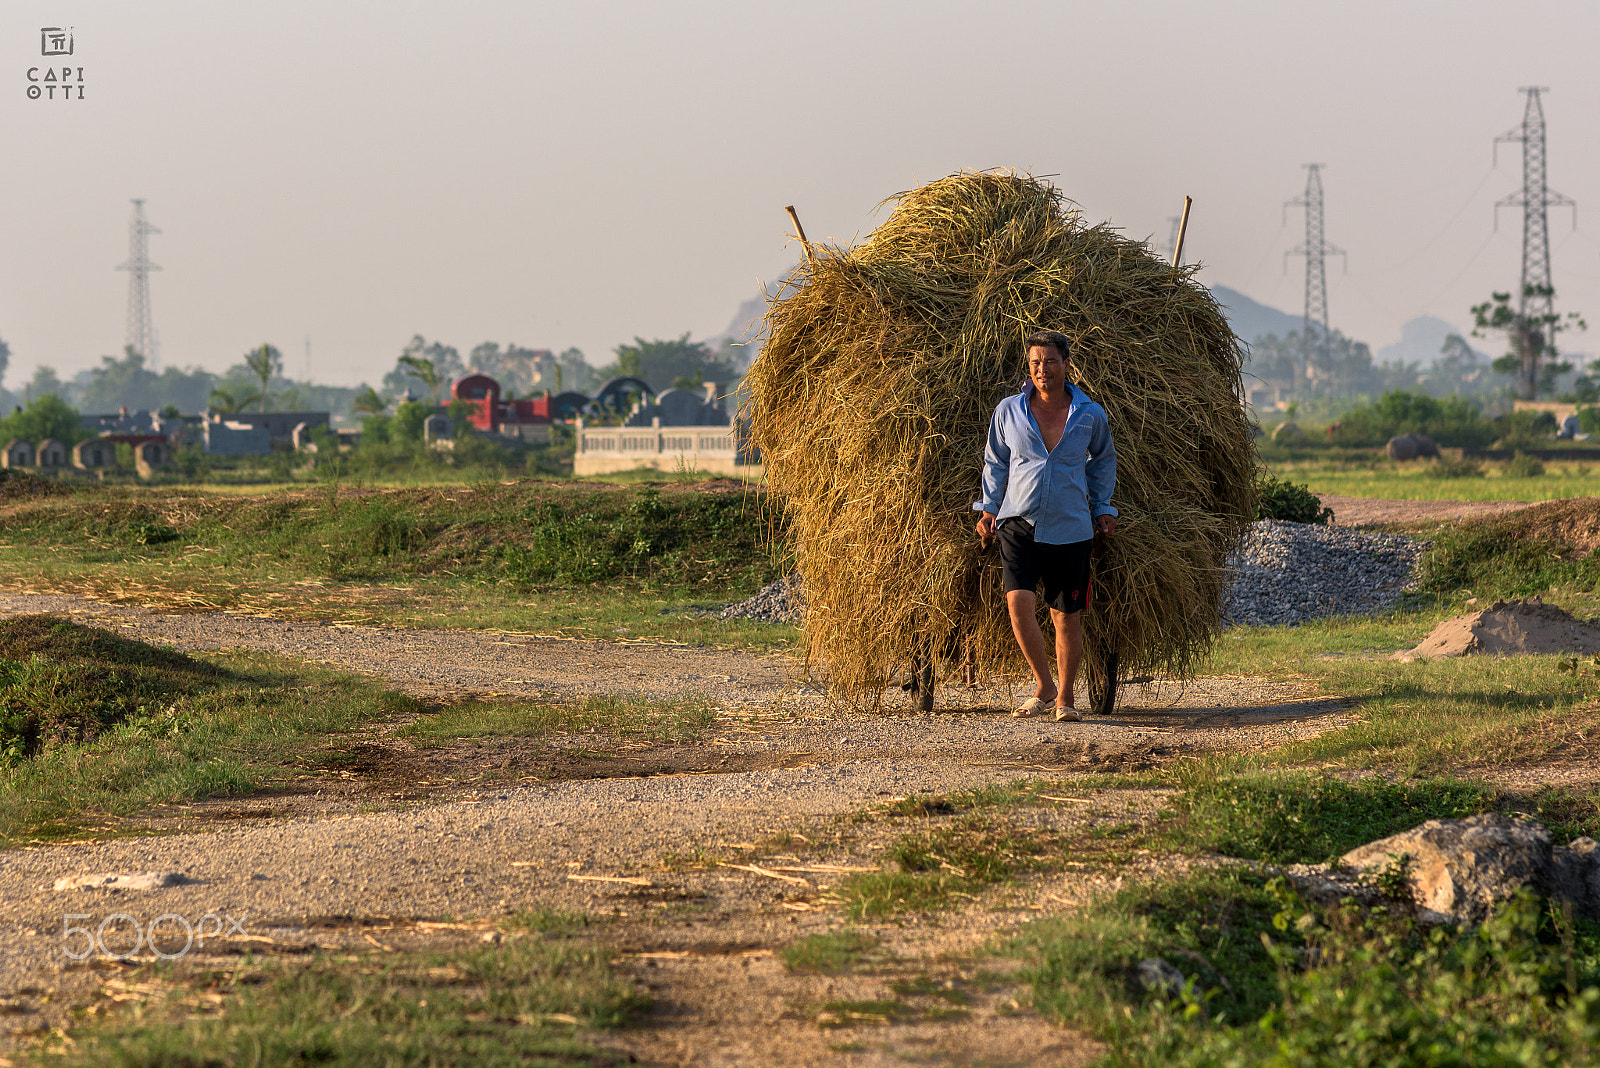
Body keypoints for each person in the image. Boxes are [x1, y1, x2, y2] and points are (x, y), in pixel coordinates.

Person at [973, 330, 1117, 722]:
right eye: (1036, 362)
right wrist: (989, 508)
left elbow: (1102, 460)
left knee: (1065, 615)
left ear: (1067, 365)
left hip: (1070, 527)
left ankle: (1065, 699)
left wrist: (1103, 506)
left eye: (1050, 361)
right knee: (1018, 603)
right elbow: (996, 461)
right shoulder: (1009, 411)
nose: (1042, 370)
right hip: (1018, 520)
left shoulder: (1089, 414)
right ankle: (1044, 684)